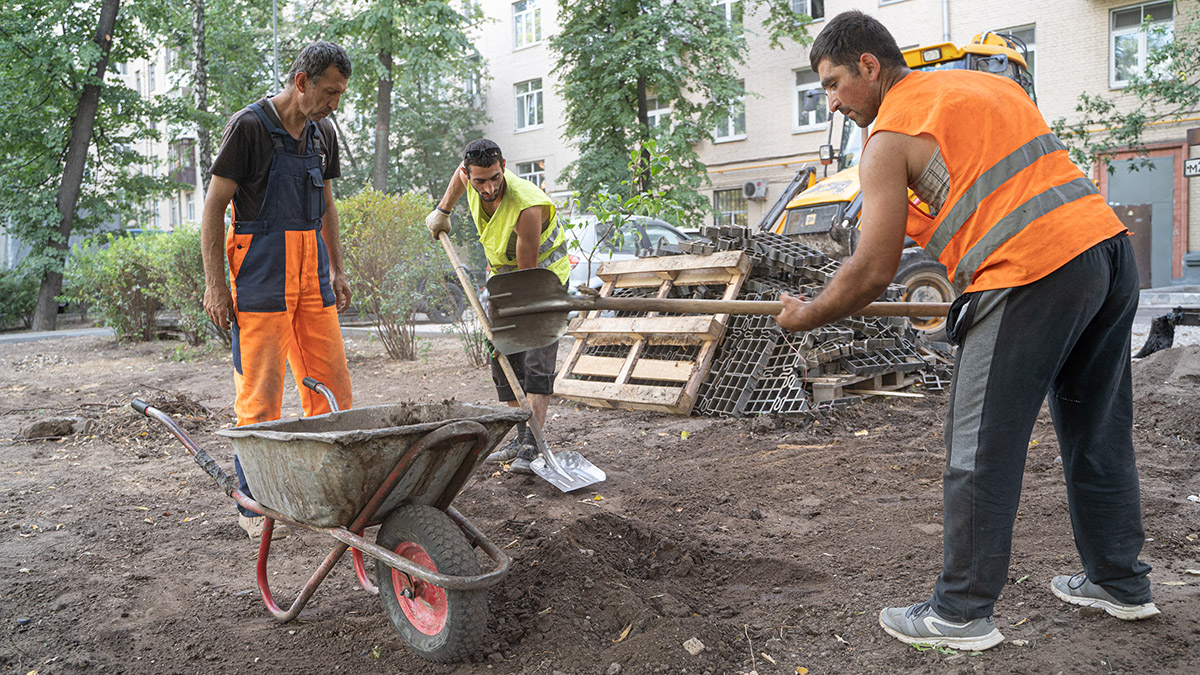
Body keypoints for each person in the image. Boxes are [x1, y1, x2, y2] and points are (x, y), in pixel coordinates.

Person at [776, 11, 1158, 650]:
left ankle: (959, 614)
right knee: (1097, 431)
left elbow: (871, 269)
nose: (834, 103)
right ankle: (1121, 583)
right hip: (1107, 255)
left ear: (870, 65)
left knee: (978, 446)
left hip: (1030, 269)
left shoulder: (891, 134)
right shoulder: (992, 88)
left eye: (835, 84)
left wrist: (805, 313)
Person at [201, 41, 355, 540]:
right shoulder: (249, 127)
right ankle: (253, 507)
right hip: (260, 269)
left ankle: (323, 488)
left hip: (312, 270)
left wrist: (336, 267)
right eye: (329, 92)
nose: (335, 103)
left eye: (341, 94)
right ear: (302, 81)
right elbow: (213, 208)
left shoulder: (322, 131)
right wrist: (216, 287)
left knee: (332, 388)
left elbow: (327, 204)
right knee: (260, 395)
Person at [425, 139, 569, 475]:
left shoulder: (526, 206)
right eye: (480, 181)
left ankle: (534, 442)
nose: (488, 188)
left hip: (540, 281)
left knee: (535, 356)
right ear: (469, 173)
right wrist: (443, 211)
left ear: (503, 166)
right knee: (503, 358)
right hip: (504, 279)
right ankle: (521, 436)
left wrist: (512, 325)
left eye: (494, 178)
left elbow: (526, 278)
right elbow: (458, 180)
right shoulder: (468, 178)